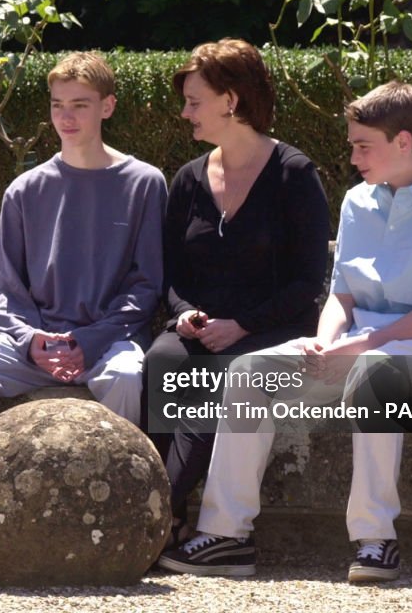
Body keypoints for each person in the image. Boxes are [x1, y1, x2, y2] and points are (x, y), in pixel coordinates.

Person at [158, 81, 412, 582]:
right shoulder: (358, 201)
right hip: (359, 342)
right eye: (352, 144)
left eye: (363, 146)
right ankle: (227, 536)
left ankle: (376, 541)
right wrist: (327, 339)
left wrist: (358, 347)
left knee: (376, 376)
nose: (353, 157)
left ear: (403, 142)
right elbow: (342, 295)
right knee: (249, 370)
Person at [0, 51, 167, 466]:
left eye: (80, 105)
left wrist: (87, 342)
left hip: (110, 343)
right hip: (37, 345)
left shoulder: (144, 183)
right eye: (58, 105)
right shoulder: (24, 190)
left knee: (128, 376)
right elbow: (5, 289)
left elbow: (146, 286)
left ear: (107, 106)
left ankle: (118, 494)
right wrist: (33, 341)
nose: (66, 117)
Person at [140, 39, 329, 548]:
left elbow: (309, 282)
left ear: (231, 100)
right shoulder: (187, 179)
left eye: (194, 101)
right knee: (160, 359)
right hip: (201, 327)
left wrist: (243, 324)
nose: (185, 113)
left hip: (270, 328)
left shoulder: (294, 174)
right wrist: (183, 313)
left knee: (210, 385)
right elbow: (172, 275)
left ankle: (152, 517)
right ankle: (156, 512)